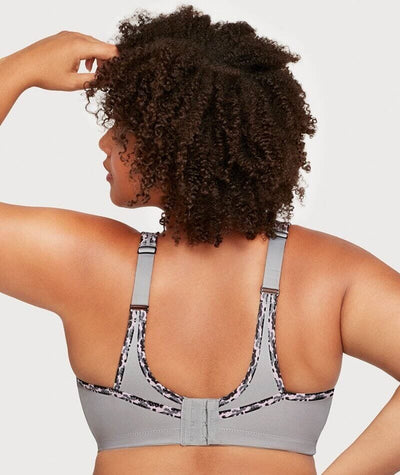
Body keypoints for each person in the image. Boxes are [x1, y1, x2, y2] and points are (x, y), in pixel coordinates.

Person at [0, 5, 399, 475]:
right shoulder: (330, 277)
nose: (105, 142)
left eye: (124, 128)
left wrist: (22, 68)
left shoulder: (88, 264)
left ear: (173, 146)